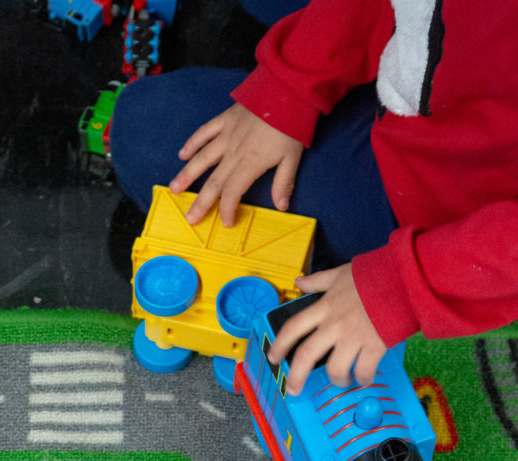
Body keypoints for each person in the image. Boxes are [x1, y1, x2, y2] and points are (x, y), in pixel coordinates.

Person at [109, 0, 518, 397]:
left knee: (145, 132)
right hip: (429, 57)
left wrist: (405, 284)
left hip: (456, 202)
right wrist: (290, 87)